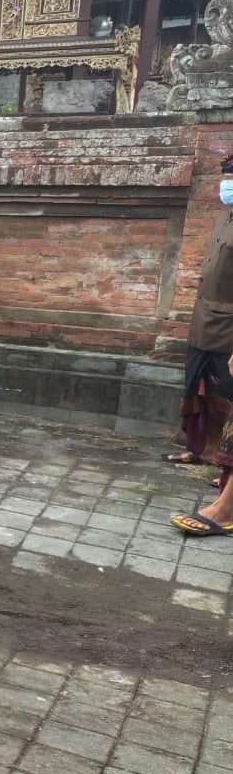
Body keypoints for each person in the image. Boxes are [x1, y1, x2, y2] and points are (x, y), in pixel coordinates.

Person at [172, 159, 233, 536]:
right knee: (199, 387)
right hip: (204, 318)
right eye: (226, 179)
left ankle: (225, 490)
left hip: (228, 326)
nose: (226, 187)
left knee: (225, 397)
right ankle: (203, 451)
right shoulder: (224, 218)